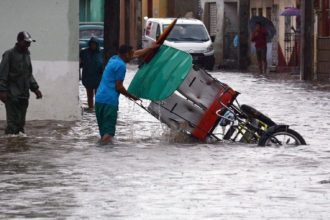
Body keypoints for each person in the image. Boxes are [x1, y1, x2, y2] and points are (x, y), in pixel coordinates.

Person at [95, 44, 158, 144]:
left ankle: (97, 153)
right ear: (125, 55)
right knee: (109, 134)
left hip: (99, 100)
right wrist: (132, 96)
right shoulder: (121, 66)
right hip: (109, 102)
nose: (133, 56)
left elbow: (136, 53)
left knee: (104, 133)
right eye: (131, 54)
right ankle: (104, 157)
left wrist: (149, 48)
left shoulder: (113, 59)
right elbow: (119, 87)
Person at [0, 31, 42, 135]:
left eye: (29, 43)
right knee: (13, 124)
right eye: (26, 42)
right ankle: (10, 146)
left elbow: (29, 74)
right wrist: (2, 91)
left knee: (21, 124)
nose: (28, 45)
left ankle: (19, 147)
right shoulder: (9, 54)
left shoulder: (27, 55)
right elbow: (2, 74)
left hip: (24, 94)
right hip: (12, 94)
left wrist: (35, 89)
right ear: (19, 42)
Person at [80, 37, 103, 111]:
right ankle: (91, 108)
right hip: (87, 76)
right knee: (89, 95)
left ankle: (97, 109)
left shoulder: (101, 53)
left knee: (98, 95)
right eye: (91, 44)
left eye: (94, 44)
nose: (93, 46)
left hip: (98, 77)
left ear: (97, 45)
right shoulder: (84, 52)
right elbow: (80, 63)